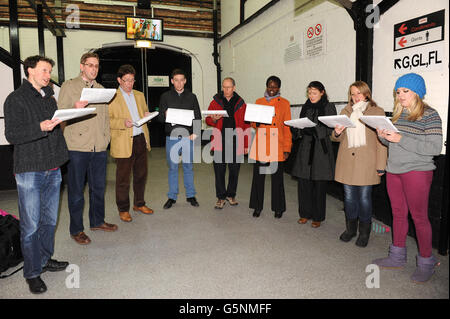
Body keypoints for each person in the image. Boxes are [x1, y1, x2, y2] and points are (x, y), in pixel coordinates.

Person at [4, 55, 69, 294]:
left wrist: (68, 115)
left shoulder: (49, 96)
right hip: (30, 170)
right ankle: (31, 273)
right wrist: (40, 127)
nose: (47, 75)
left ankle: (43, 259)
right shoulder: (15, 99)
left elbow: (54, 128)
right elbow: (12, 134)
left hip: (53, 168)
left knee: (49, 222)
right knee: (30, 225)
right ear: (29, 70)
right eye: (44, 70)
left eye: (49, 70)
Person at [372, 73, 442, 283]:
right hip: (394, 170)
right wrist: (383, 137)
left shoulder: (430, 115)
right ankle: (397, 257)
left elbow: (434, 148)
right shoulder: (398, 115)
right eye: (398, 92)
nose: (401, 96)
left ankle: (426, 262)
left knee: (419, 218)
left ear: (417, 93)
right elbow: (392, 145)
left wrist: (401, 137)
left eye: (405, 91)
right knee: (398, 214)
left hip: (417, 171)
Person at [58, 52, 117, 245]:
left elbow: (105, 118)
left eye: (96, 66)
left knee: (98, 188)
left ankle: (97, 221)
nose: (93, 69)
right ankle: (76, 229)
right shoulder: (69, 86)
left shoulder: (101, 89)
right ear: (82, 66)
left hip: (99, 146)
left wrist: (106, 138)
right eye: (90, 65)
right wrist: (75, 107)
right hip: (77, 147)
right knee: (76, 191)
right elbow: (60, 115)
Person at [331, 81, 387, 247]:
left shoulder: (377, 111)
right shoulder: (345, 111)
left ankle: (364, 232)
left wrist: (381, 165)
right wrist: (336, 132)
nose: (355, 97)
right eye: (352, 94)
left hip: (367, 163)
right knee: (348, 199)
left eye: (358, 93)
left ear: (366, 93)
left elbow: (381, 140)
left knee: (364, 199)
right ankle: (350, 230)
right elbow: (336, 138)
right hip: (347, 161)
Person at [108, 64, 153, 222]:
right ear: (119, 80)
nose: (129, 84)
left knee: (141, 175)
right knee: (123, 179)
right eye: (126, 80)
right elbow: (108, 120)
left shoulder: (140, 95)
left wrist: (147, 114)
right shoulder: (112, 96)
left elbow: (143, 113)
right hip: (123, 141)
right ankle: (123, 209)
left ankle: (139, 203)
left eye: (132, 80)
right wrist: (122, 123)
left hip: (140, 138)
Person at [289, 81, 336, 228]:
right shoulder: (306, 106)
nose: (311, 96)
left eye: (314, 93)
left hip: (321, 149)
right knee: (303, 183)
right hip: (306, 148)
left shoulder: (329, 106)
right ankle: (304, 214)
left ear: (322, 92)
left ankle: (318, 217)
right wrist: (297, 129)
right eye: (309, 92)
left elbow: (330, 128)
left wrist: (314, 130)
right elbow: (300, 125)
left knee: (319, 185)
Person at [248, 75, 292, 218]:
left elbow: (287, 128)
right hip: (261, 143)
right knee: (258, 177)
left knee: (277, 179)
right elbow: (253, 123)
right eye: (269, 86)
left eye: (274, 87)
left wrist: (287, 148)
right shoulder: (258, 102)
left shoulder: (285, 103)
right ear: (266, 86)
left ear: (279, 88)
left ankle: (278, 208)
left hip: (277, 144)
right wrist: (257, 123)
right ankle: (257, 206)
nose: (272, 89)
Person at [158, 69, 202, 209]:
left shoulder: (192, 97)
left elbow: (198, 117)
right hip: (172, 137)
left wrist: (195, 133)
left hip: (188, 137)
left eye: (181, 80)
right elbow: (159, 118)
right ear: (172, 81)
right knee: (173, 168)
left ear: (185, 81)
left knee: (188, 167)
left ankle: (191, 195)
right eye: (176, 80)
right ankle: (172, 196)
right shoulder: (165, 96)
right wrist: (165, 115)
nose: (179, 83)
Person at [205, 77, 250, 209]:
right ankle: (220, 197)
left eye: (229, 87)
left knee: (234, 170)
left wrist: (246, 144)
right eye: (224, 87)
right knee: (219, 170)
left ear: (234, 88)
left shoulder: (241, 103)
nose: (226, 90)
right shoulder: (215, 102)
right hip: (219, 140)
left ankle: (231, 195)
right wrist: (213, 119)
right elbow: (207, 119)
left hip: (236, 140)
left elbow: (246, 125)